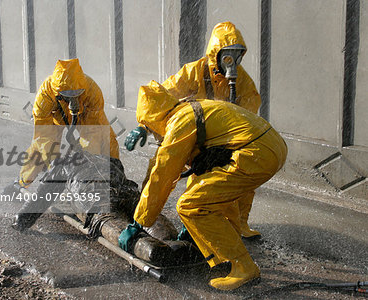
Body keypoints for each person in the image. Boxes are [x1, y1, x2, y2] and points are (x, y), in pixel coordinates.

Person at [119, 81, 287, 290]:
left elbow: (161, 177)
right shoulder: (189, 110)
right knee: (208, 193)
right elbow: (164, 166)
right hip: (270, 147)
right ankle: (224, 258)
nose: (155, 135)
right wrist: (191, 229)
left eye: (151, 129)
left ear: (156, 119)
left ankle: (243, 267)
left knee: (189, 205)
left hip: (256, 154)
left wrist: (139, 222)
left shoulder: (179, 123)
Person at [125, 21, 262, 238]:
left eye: (237, 56)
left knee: (237, 178)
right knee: (159, 169)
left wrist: (230, 148)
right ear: (215, 52)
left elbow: (249, 118)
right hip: (189, 131)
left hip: (221, 140)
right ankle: (143, 217)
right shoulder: (194, 72)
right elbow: (164, 95)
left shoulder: (244, 84)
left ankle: (232, 225)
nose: (232, 62)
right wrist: (145, 125)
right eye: (228, 55)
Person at [2, 58, 120, 204]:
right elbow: (43, 135)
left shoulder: (91, 90)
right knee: (39, 149)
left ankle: (112, 184)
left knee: (106, 140)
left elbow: (93, 131)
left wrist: (89, 164)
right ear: (58, 92)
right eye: (69, 96)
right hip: (56, 118)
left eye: (77, 94)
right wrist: (53, 162)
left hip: (84, 116)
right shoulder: (45, 94)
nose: (73, 99)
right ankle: (21, 183)